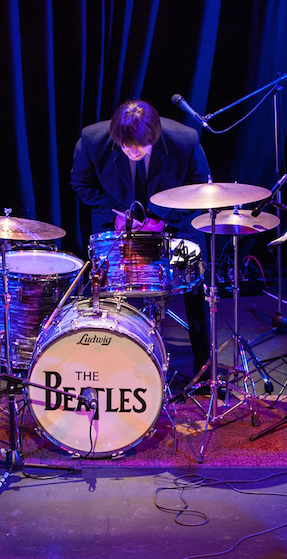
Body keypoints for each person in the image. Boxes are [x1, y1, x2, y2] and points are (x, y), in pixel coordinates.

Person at [70, 99, 212, 377]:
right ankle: (102, 359)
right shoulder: (91, 139)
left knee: (196, 283)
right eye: (126, 147)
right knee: (101, 284)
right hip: (117, 219)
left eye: (141, 147)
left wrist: (161, 218)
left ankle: (202, 365)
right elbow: (81, 184)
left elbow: (201, 188)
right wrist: (117, 215)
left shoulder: (185, 139)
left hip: (174, 219)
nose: (133, 152)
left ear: (154, 138)